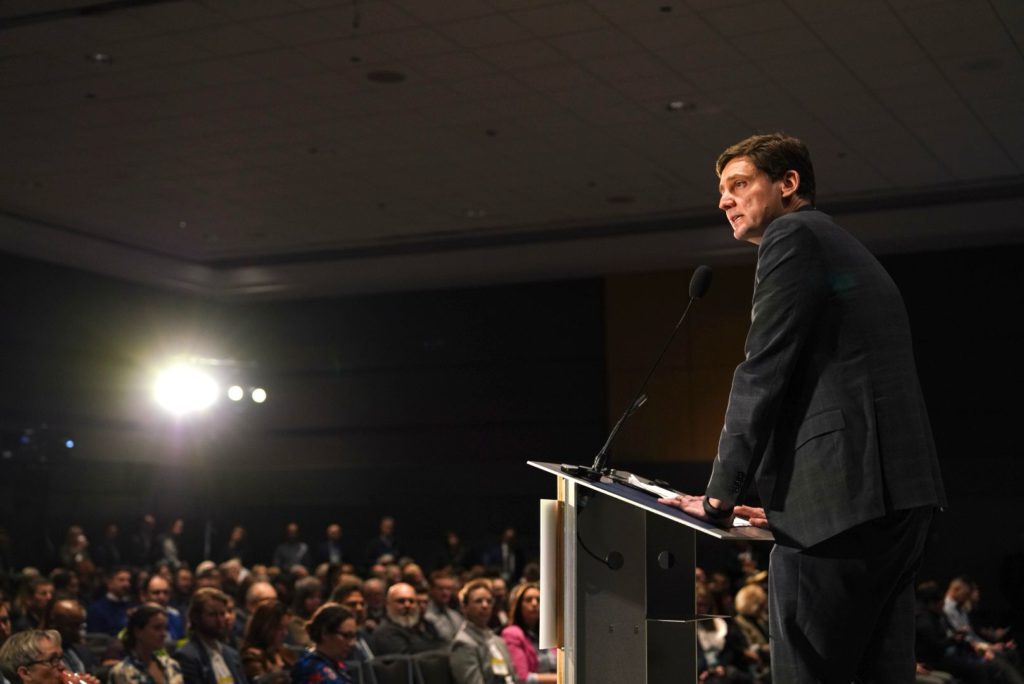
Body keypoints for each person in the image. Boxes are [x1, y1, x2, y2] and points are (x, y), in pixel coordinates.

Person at [658, 132, 947, 683]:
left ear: (788, 183)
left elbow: (762, 372)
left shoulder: (791, 237)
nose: (724, 200)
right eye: (722, 190)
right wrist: (791, 504)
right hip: (892, 504)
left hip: (841, 512)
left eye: (738, 184)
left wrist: (719, 499)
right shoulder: (838, 243)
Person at [450, 579, 519, 684]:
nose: (485, 605)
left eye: (489, 601)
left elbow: (514, 678)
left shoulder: (499, 641)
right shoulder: (463, 643)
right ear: (464, 607)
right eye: (478, 601)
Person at [173, 588, 247, 684]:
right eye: (212, 615)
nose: (220, 620)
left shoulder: (232, 654)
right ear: (195, 617)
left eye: (222, 614)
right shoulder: (187, 656)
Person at [109, 604, 184, 684]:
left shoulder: (171, 666)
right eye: (157, 628)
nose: (164, 634)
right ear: (138, 632)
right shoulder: (122, 672)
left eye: (165, 628)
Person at [500, 582, 555, 684]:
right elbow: (523, 678)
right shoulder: (512, 633)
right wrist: (562, 678)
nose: (534, 604)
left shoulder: (549, 632)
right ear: (518, 605)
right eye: (528, 600)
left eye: (538, 600)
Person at [289, 604, 356, 684]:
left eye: (353, 636)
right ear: (325, 633)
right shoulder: (309, 667)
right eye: (346, 636)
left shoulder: (339, 666)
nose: (352, 643)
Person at [239, 601, 295, 684]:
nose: (285, 633)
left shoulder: (284, 652)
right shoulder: (251, 657)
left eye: (286, 628)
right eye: (279, 628)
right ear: (265, 628)